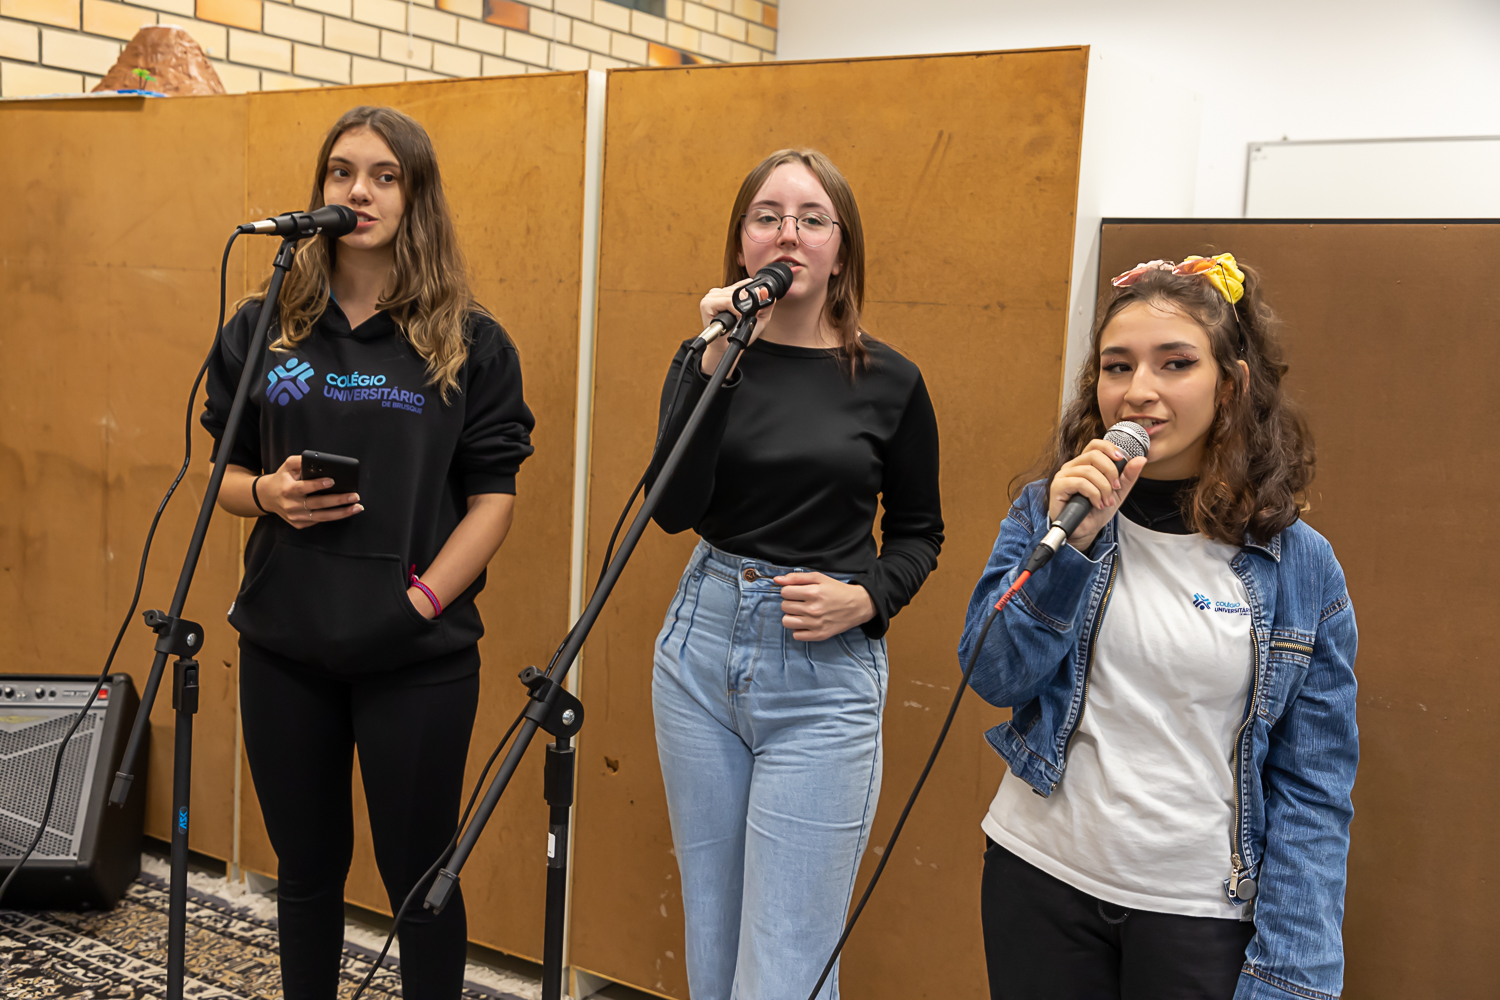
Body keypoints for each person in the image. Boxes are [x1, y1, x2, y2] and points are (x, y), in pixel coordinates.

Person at [202, 105, 534, 1000]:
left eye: (386, 175)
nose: (359, 191)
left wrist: (421, 602)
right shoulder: (265, 324)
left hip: (414, 656)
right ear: (320, 191)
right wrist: (268, 494)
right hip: (284, 646)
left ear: (416, 195)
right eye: (342, 172)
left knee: (421, 885)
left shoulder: (470, 339)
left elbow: (493, 501)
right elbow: (218, 478)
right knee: (304, 874)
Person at [959, 255, 1358, 1000]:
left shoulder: (1301, 567)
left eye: (1175, 364)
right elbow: (995, 674)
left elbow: (1314, 789)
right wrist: (1066, 549)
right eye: (1118, 366)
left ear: (1230, 384)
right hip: (1039, 879)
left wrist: (1294, 974)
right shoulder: (1053, 510)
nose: (1139, 391)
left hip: (1197, 915)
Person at [644, 148, 945, 1000]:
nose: (789, 233)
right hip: (701, 651)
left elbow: (921, 531)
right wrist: (713, 364)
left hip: (823, 676)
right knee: (714, 931)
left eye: (813, 218)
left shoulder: (888, 381)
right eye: (767, 216)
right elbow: (671, 510)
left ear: (840, 250)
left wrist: (868, 596)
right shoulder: (704, 356)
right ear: (742, 246)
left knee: (785, 958)